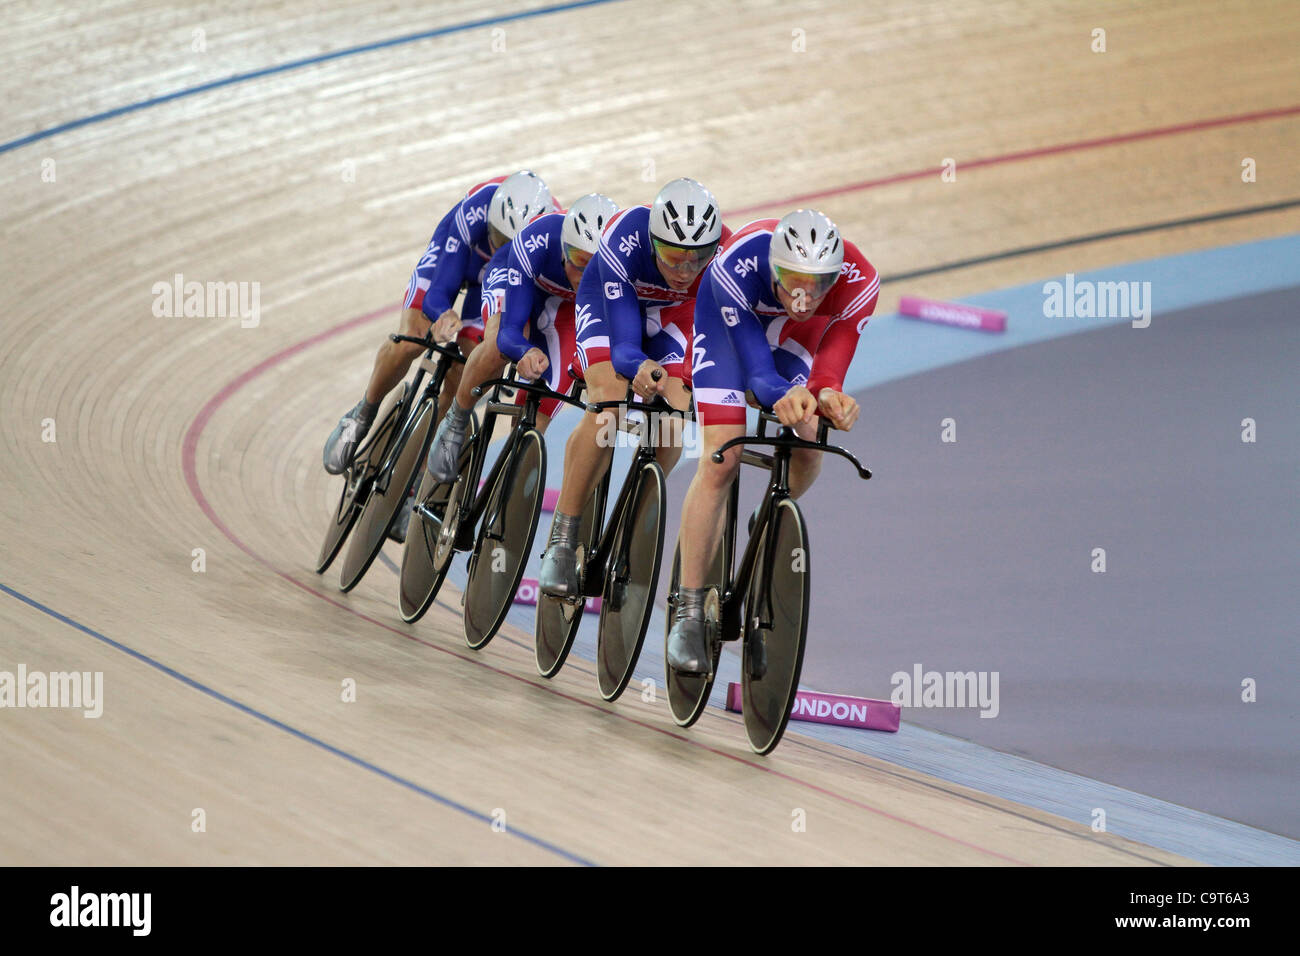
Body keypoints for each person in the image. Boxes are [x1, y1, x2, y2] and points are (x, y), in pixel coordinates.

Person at [665, 210, 880, 673]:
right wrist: (782, 394)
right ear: (773, 266)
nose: (804, 297)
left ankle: (766, 518)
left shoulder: (860, 283)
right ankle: (686, 609)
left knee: (808, 435)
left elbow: (829, 370)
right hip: (726, 332)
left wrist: (829, 399)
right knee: (724, 458)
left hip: (792, 341)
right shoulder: (735, 267)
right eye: (793, 280)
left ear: (836, 275)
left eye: (818, 285)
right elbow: (759, 375)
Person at [538, 178, 731, 599]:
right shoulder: (625, 239)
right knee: (610, 403)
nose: (683, 270)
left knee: (676, 416)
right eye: (673, 256)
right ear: (652, 241)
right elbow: (625, 345)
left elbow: (716, 337)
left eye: (695, 259)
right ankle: (563, 536)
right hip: (610, 307)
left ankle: (637, 523)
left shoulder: (723, 260)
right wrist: (642, 368)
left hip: (672, 318)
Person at [321, 170, 555, 479]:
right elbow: (438, 293)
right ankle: (362, 413)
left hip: (504, 281)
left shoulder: (545, 237)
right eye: (496, 238)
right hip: (458, 260)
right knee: (412, 338)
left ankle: (414, 477)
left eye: (508, 245)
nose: (499, 250)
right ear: (489, 221)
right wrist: (444, 314)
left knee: (471, 364)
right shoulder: (474, 211)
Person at [422, 192, 620, 480]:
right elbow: (511, 332)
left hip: (563, 307)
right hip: (514, 278)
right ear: (564, 248)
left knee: (547, 402)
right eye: (578, 259)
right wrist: (524, 351)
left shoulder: (616, 271)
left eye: (596, 264)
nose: (584, 272)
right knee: (499, 344)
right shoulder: (538, 239)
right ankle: (456, 419)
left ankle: (506, 483)